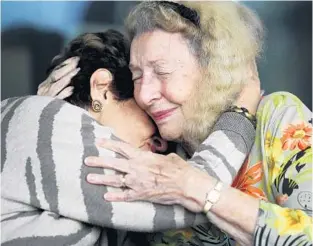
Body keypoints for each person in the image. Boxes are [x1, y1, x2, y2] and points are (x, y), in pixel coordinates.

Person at [74, 1, 311, 246]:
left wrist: (196, 187)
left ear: (214, 69)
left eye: (162, 72)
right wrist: (49, 107)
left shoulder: (277, 118)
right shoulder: (153, 148)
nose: (145, 95)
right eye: (137, 76)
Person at [1, 29, 260, 245]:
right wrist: (242, 110)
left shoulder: (45, 131)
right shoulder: (45, 120)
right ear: (102, 89)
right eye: (150, 115)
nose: (161, 145)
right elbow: (195, 193)